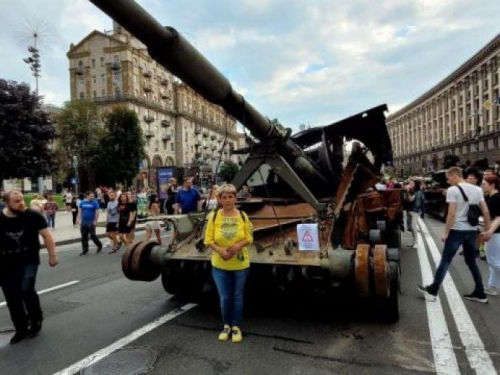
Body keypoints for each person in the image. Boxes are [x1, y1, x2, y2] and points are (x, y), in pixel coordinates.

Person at [419, 167, 491, 303]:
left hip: (457, 230)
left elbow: (451, 213)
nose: (447, 181)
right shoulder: (477, 190)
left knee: (446, 260)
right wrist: (487, 231)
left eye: (448, 178)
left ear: (454, 175)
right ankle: (480, 293)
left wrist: (446, 232)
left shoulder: (453, 190)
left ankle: (433, 290)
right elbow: (485, 211)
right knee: (472, 262)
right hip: (472, 231)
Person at [0, 190, 58, 344]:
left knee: (26, 290)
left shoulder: (33, 216)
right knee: (12, 297)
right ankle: (20, 328)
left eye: (21, 200)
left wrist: (52, 256)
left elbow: (46, 236)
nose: (21, 204)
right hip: (5, 264)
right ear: (6, 203)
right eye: (16, 201)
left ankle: (35, 320)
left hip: (29, 261)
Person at [204, 184, 253, 343]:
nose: (227, 200)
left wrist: (239, 245)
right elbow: (208, 239)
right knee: (225, 297)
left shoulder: (243, 216)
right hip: (220, 264)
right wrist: (220, 251)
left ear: (235, 198)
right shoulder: (214, 216)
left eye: (230, 196)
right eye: (224, 197)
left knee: (237, 296)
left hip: (240, 264)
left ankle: (236, 326)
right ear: (219, 199)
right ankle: (226, 325)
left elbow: (249, 237)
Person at [480, 175, 500, 296]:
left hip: (496, 233)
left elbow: (498, 218)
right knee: (494, 262)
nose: (482, 186)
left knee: (493, 262)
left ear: (492, 185)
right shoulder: (490, 197)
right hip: (493, 232)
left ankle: (492, 287)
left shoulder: (497, 198)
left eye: (484, 184)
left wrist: (489, 231)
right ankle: (492, 287)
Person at [77, 191, 102, 256]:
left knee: (92, 235)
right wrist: (78, 219)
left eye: (93, 196)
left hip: (91, 221)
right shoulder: (82, 203)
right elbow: (80, 212)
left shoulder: (95, 203)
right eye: (91, 196)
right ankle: (85, 250)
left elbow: (97, 213)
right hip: (84, 221)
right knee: (84, 236)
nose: (92, 197)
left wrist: (95, 221)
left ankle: (99, 245)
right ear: (87, 196)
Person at [407, 180, 425, 248]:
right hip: (409, 211)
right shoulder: (412, 191)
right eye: (410, 183)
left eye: (412, 183)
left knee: (413, 227)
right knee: (410, 228)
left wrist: (423, 212)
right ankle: (413, 242)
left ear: (416, 184)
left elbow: (411, 199)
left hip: (415, 211)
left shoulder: (418, 193)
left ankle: (416, 243)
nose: (410, 184)